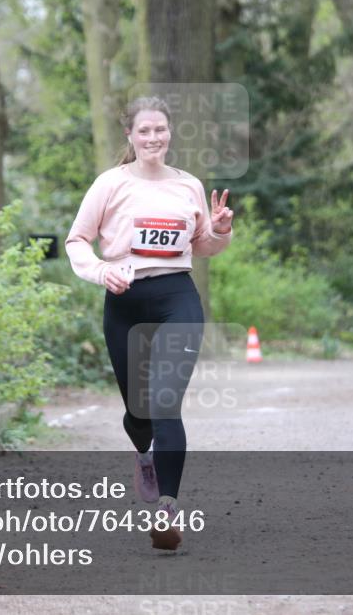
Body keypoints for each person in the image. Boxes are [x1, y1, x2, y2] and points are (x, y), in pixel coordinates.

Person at [65, 96, 234, 551]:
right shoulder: (110, 183)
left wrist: (218, 230)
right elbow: (77, 240)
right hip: (125, 300)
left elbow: (201, 246)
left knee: (164, 404)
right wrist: (102, 271)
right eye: (144, 131)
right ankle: (144, 456)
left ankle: (167, 509)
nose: (153, 138)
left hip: (176, 297)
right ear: (131, 136)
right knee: (138, 413)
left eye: (160, 130)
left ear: (170, 133)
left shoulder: (188, 185)